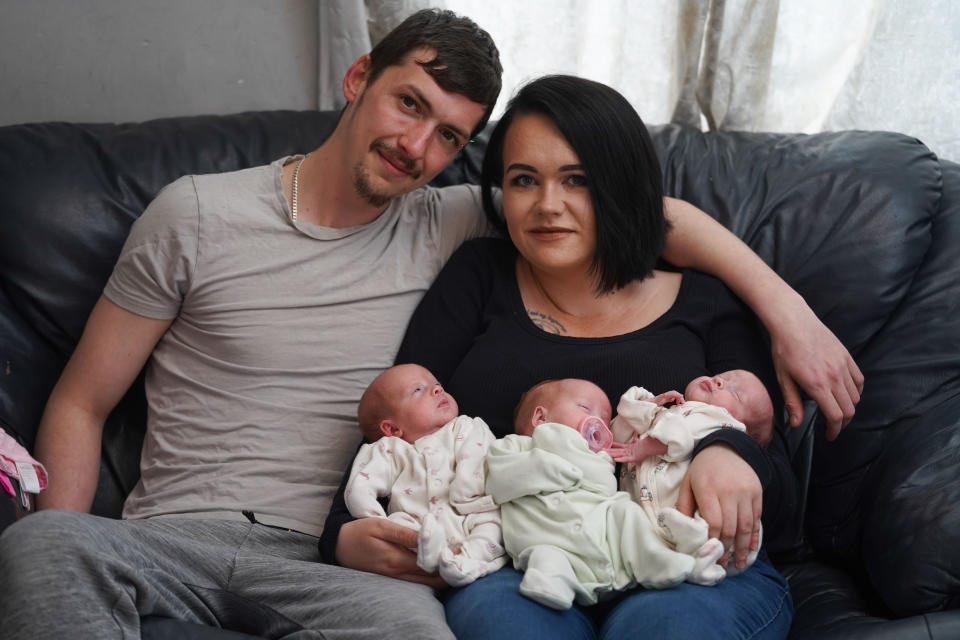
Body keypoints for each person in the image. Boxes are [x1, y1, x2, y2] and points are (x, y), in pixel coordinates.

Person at [0, 6, 860, 638]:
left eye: (449, 136)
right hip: (177, 535)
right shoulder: (194, 214)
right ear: (358, 79)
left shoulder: (448, 222)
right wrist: (68, 529)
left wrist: (788, 311)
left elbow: (629, 212)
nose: (417, 147)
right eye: (408, 104)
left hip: (352, 562)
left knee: (426, 631)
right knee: (42, 551)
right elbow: (80, 405)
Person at [383, 75, 803, 639]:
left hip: (690, 562)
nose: (547, 205)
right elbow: (398, 415)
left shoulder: (707, 298)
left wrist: (730, 450)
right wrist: (346, 526)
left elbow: (779, 472)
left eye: (576, 180)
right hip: (520, 559)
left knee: (663, 629)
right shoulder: (478, 276)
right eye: (524, 180)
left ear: (620, 186)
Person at [490, 378, 727, 611]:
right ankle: (551, 584)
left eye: (605, 420)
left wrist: (647, 409)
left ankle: (655, 560)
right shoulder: (515, 447)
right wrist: (554, 468)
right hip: (545, 538)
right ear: (541, 418)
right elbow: (500, 481)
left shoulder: (600, 457)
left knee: (626, 512)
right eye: (584, 408)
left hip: (599, 537)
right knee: (546, 558)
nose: (599, 423)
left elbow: (603, 487)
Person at [345, 364, 505, 587]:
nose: (437, 389)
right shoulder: (390, 450)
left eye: (437, 384)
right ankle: (433, 555)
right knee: (400, 522)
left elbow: (477, 459)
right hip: (420, 524)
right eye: (418, 390)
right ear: (391, 429)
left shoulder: (465, 427)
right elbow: (359, 488)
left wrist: (466, 493)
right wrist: (378, 522)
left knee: (494, 524)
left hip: (472, 511)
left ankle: (467, 560)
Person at [609, 369, 776, 582]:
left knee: (709, 522)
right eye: (723, 377)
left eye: (736, 394)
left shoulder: (720, 421)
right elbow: (619, 435)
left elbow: (682, 435)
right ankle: (689, 561)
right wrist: (646, 405)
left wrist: (647, 445)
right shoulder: (674, 414)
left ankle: (700, 558)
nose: (718, 382)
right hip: (647, 523)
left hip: (688, 512)